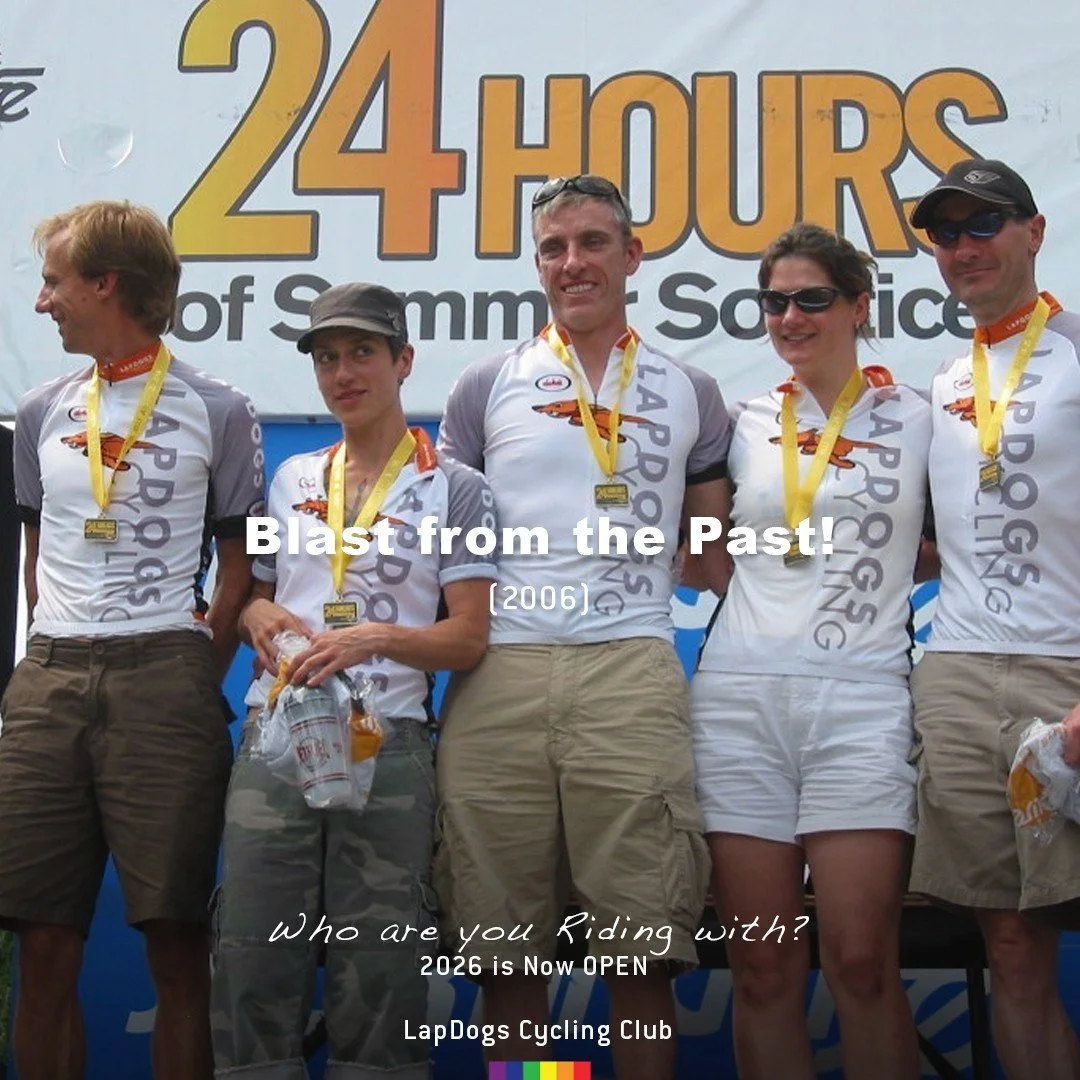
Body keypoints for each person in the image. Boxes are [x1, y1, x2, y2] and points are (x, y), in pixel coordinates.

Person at [435, 175, 731, 1080]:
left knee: (640, 951)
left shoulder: (692, 390)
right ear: (537, 264)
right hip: (501, 677)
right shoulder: (487, 385)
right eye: (554, 248)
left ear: (631, 256)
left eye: (594, 243)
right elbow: (446, 541)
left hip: (630, 669)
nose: (574, 264)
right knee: (504, 958)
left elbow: (710, 555)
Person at [0, 200, 264, 1080]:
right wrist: (55, 642)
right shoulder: (41, 410)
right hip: (50, 680)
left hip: (165, 674)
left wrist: (196, 672)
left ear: (106, 283)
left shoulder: (219, 409)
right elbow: (38, 554)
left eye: (55, 281)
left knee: (176, 937)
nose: (44, 302)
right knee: (42, 940)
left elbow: (243, 569)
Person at [210, 282, 496, 1080]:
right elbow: (259, 603)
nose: (344, 372)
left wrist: (375, 637)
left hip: (387, 743)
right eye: (328, 358)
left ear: (404, 361)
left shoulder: (456, 485)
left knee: (380, 973)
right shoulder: (293, 476)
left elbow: (469, 638)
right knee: (252, 956)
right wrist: (256, 621)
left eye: (363, 352)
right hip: (280, 735)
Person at [690, 223, 929, 1080]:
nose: (791, 316)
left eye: (812, 298)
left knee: (862, 964)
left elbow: (947, 546)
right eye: (775, 301)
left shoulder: (923, 419)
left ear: (859, 306)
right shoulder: (741, 422)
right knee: (762, 969)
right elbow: (704, 550)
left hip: (863, 699)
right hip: (739, 701)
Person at [907, 158, 1080, 1080]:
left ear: (1034, 232)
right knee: (1011, 950)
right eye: (947, 233)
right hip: (962, 674)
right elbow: (935, 543)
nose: (965, 247)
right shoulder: (936, 385)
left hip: (1070, 672)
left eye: (986, 226)